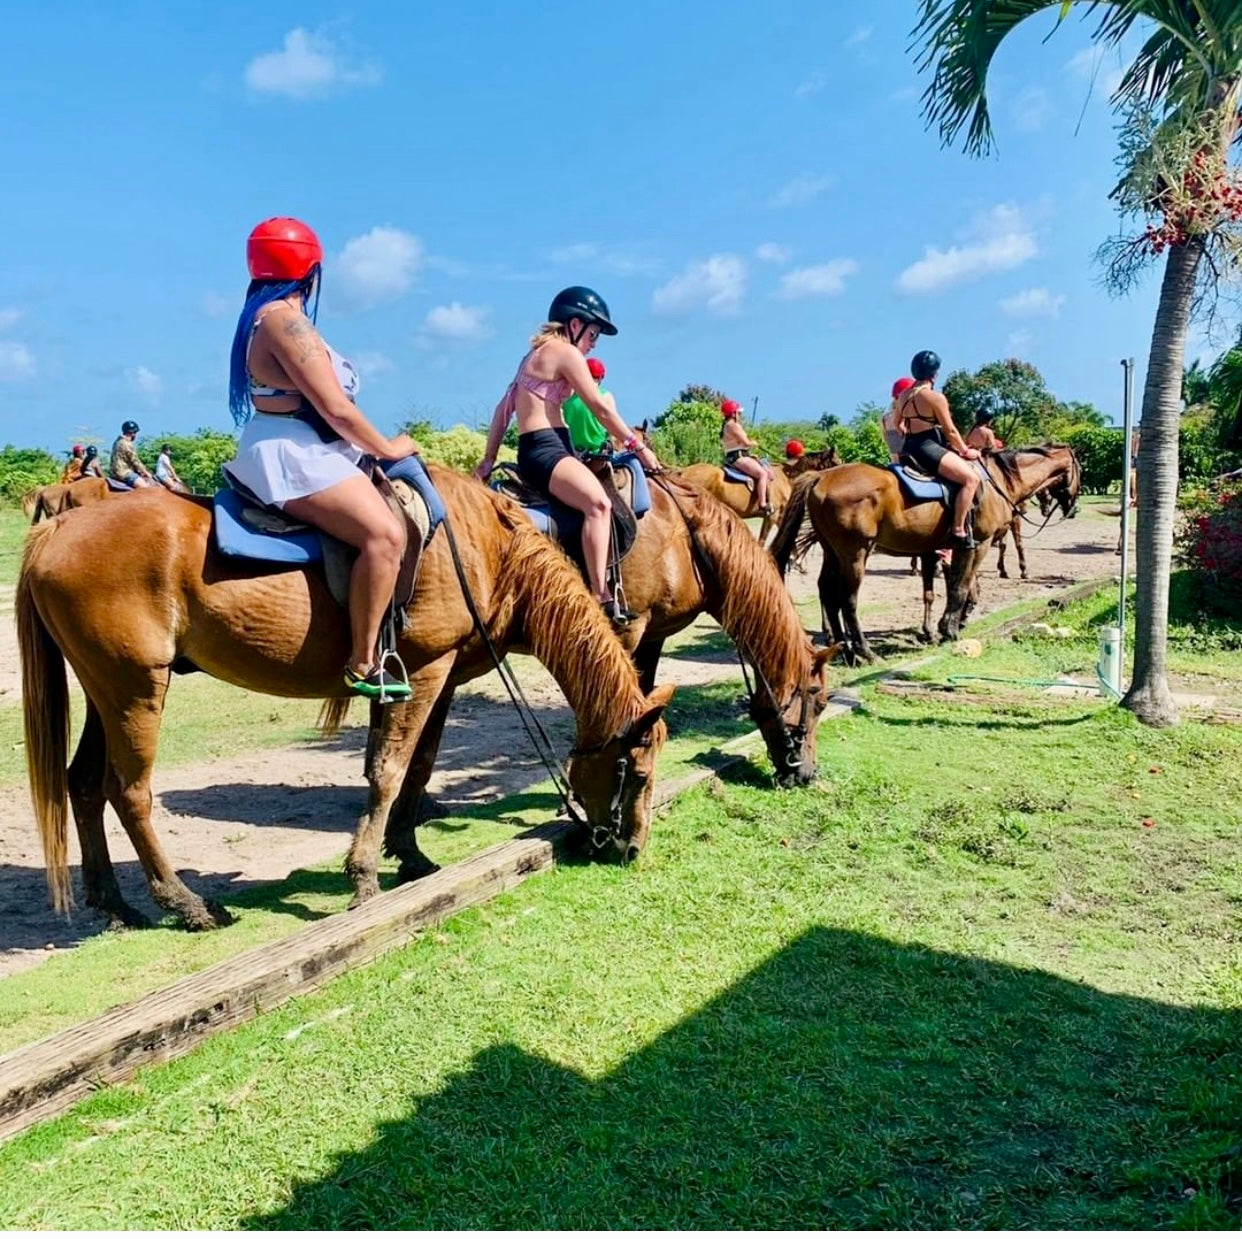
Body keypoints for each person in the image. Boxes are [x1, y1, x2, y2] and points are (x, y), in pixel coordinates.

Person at [223, 216, 420, 702]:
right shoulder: (285, 320)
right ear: (311, 270)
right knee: (385, 535)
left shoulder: (261, 315)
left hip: (305, 445)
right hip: (296, 454)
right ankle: (362, 661)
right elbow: (335, 408)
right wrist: (389, 447)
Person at [475, 286, 661, 625]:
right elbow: (600, 408)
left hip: (548, 446)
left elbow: (504, 410)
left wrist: (488, 460)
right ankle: (599, 594)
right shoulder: (565, 352)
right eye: (592, 334)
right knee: (599, 505)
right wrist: (639, 447)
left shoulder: (531, 355)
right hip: (546, 448)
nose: (593, 343)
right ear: (575, 324)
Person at [896, 350, 983, 549]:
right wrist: (965, 451)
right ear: (934, 374)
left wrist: (909, 434)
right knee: (971, 479)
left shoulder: (903, 396)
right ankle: (958, 530)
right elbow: (951, 431)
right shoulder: (935, 398)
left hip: (909, 447)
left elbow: (897, 423)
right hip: (928, 448)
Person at [720, 398, 772, 514]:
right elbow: (746, 442)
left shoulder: (728, 425)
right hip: (738, 457)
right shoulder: (733, 425)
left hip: (738, 454)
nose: (740, 415)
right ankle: (762, 504)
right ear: (733, 414)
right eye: (738, 413)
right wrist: (754, 443)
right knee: (763, 474)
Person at [561, 356, 615, 455]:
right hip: (599, 451)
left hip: (573, 452)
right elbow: (613, 425)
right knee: (632, 461)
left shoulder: (567, 399)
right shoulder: (606, 396)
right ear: (600, 377)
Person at [110, 421, 155, 487]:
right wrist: (146, 473)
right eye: (135, 433)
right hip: (124, 473)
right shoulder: (127, 444)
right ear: (132, 433)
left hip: (113, 473)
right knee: (146, 488)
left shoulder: (117, 442)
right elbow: (135, 461)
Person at [883, 377, 915, 462]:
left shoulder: (885, 418)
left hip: (895, 462)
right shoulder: (909, 415)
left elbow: (889, 443)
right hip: (914, 460)